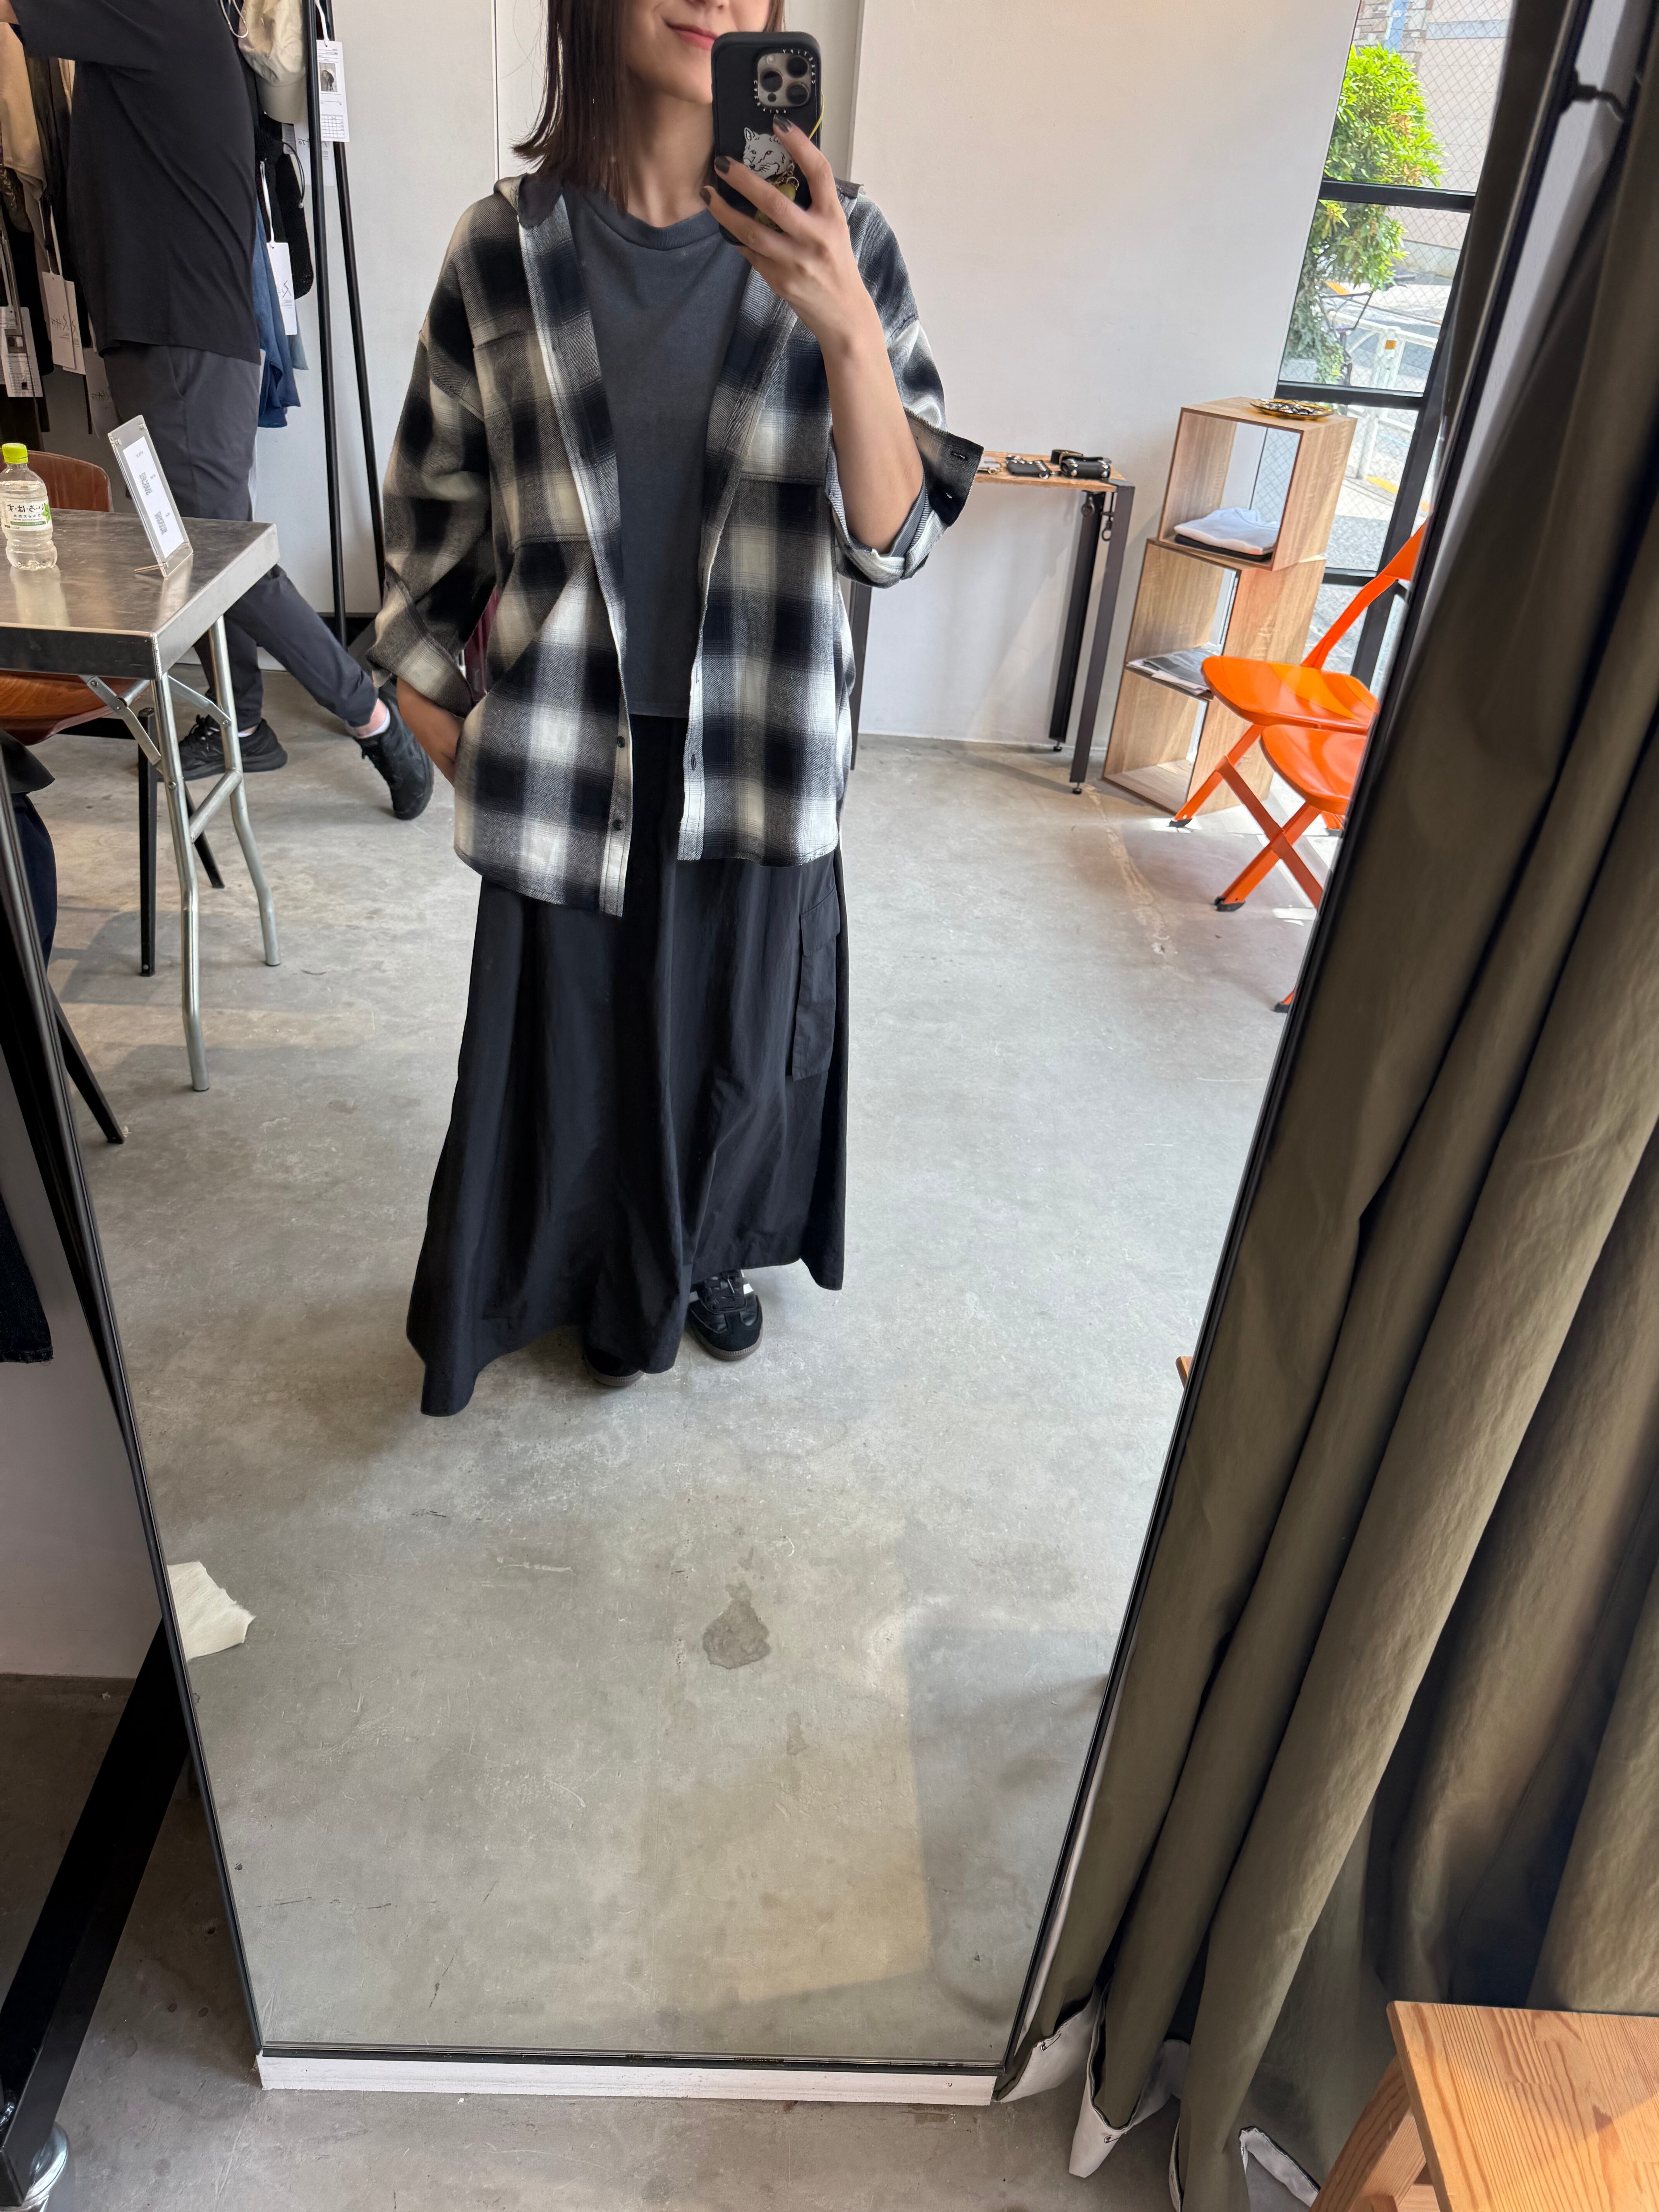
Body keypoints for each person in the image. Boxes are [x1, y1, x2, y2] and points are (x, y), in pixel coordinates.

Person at [372, 0, 977, 1410]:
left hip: (753, 746)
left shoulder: (846, 238)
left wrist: (846, 328)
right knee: (572, 1070)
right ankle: (584, 1273)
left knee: (733, 1061)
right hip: (567, 754)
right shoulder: (503, 250)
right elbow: (428, 534)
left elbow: (894, 542)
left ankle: (708, 1248)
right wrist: (452, 734)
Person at [0, 0, 432, 819]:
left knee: (224, 555)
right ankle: (242, 724)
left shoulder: (157, 10)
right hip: (168, 335)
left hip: (181, 340)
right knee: (196, 550)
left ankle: (374, 722)